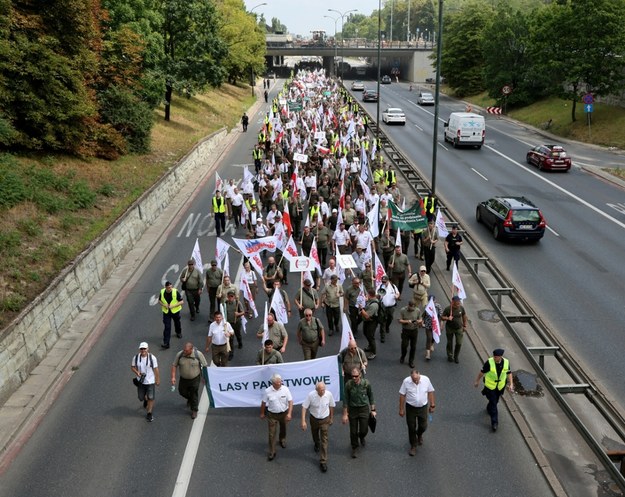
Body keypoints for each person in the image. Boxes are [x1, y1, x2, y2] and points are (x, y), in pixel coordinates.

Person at [474, 349, 514, 432]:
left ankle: (489, 408)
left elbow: (509, 373)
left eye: (496, 357)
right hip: (490, 386)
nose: (494, 358)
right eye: (494, 356)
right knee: (494, 404)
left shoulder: (506, 362)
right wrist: (477, 381)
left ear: (500, 357)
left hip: (500, 387)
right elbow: (482, 372)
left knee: (495, 402)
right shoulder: (489, 362)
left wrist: (511, 384)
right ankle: (494, 423)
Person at [398, 370, 436, 456]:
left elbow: (430, 392)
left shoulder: (426, 380)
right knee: (411, 427)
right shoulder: (406, 381)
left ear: (419, 375)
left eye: (417, 378)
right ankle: (413, 445)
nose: (415, 381)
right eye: (413, 379)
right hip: (410, 408)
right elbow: (402, 395)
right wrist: (401, 409)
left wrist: (432, 405)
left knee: (423, 426)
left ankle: (419, 434)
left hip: (423, 407)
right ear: (411, 377)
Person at [301, 382, 336, 473]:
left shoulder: (328, 395)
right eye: (321, 390)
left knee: (324, 440)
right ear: (316, 390)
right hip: (314, 419)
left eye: (324, 389)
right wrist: (303, 421)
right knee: (315, 435)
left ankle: (323, 461)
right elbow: (304, 407)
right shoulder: (311, 395)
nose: (323, 391)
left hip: (325, 419)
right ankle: (316, 442)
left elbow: (331, 406)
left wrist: (331, 418)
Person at [342, 367, 376, 459]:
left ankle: (361, 437)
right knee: (353, 431)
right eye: (352, 376)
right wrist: (345, 414)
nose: (354, 378)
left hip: (363, 409)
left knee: (363, 430)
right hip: (353, 409)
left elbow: (371, 396)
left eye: (356, 376)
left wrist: (373, 410)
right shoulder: (348, 385)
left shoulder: (366, 384)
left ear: (360, 375)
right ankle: (354, 448)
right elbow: (345, 400)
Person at [260, 373, 293, 461]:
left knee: (283, 428)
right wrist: (262, 413)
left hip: (283, 413)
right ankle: (272, 451)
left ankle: (282, 439)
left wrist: (289, 413)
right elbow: (263, 403)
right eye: (278, 383)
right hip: (272, 415)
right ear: (273, 383)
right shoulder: (267, 391)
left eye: (280, 382)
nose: (280, 384)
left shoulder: (285, 389)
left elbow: (290, 401)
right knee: (271, 434)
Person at [171, 342, 208, 419]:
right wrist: (173, 377)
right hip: (183, 379)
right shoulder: (180, 354)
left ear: (191, 349)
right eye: (184, 350)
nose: (185, 352)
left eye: (186, 351)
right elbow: (174, 365)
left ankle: (194, 410)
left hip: (195, 378)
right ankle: (190, 399)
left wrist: (205, 377)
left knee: (194, 393)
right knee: (182, 392)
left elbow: (205, 366)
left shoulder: (198, 354)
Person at [131, 342, 159, 422]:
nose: (143, 350)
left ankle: (149, 413)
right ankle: (145, 400)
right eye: (141, 349)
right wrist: (137, 372)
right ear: (139, 349)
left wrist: (157, 379)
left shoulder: (152, 358)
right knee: (140, 397)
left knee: (151, 397)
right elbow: (132, 367)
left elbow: (156, 369)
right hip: (141, 381)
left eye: (144, 349)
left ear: (148, 349)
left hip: (150, 381)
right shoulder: (136, 357)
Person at [398, 300, 423, 368]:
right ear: (408, 305)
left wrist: (418, 321)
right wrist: (407, 321)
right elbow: (399, 320)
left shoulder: (417, 310)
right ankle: (403, 356)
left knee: (413, 347)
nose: (412, 309)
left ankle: (411, 361)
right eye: (411, 308)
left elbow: (420, 319)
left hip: (414, 330)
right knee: (404, 345)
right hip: (405, 330)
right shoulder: (403, 310)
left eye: (413, 308)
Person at [442, 296, 467, 363]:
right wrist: (447, 318)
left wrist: (465, 325)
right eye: (457, 301)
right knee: (450, 342)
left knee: (459, 343)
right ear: (453, 302)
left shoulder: (461, 308)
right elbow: (442, 317)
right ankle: (450, 355)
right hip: (450, 328)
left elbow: (464, 316)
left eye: (459, 301)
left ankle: (456, 356)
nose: (459, 302)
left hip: (459, 328)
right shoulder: (448, 309)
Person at [159, 281, 184, 349]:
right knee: (167, 327)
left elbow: (182, 301)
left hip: (175, 311)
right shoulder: (162, 292)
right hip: (166, 312)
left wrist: (173, 306)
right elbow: (159, 301)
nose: (170, 288)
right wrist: (164, 305)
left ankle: (178, 332)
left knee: (177, 323)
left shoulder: (175, 292)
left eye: (171, 287)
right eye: (168, 287)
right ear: (166, 287)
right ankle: (166, 343)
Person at [378, 275, 399, 343]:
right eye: (382, 281)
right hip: (383, 307)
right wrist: (379, 295)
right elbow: (376, 295)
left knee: (390, 318)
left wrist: (397, 296)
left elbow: (398, 294)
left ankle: (387, 326)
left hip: (391, 307)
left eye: (385, 281)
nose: (384, 283)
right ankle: (382, 336)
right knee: (382, 321)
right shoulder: (380, 286)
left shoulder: (393, 287)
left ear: (388, 281)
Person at [360, 289, 380, 360]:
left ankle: (373, 352)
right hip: (367, 321)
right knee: (365, 333)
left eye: (367, 294)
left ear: (369, 295)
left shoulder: (374, 305)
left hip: (372, 322)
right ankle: (370, 346)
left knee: (371, 336)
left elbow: (367, 316)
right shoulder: (370, 301)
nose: (366, 296)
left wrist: (361, 309)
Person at [422, 294, 442, 360]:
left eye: (433, 301)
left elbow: (441, 315)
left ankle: (432, 344)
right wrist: (422, 322)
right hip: (428, 325)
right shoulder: (427, 306)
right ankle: (428, 354)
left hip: (435, 326)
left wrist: (441, 324)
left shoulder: (438, 306)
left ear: (435, 300)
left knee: (433, 338)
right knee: (429, 338)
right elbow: (423, 315)